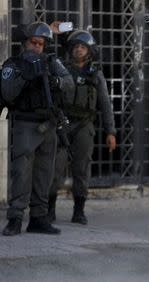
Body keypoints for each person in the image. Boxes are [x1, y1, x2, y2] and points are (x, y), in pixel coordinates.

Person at [1, 22, 74, 236]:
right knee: (21, 173)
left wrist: (55, 81)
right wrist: (26, 75)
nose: (37, 47)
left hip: (48, 125)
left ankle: (38, 218)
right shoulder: (14, 64)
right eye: (34, 42)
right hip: (25, 124)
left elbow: (69, 83)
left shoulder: (51, 62)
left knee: (44, 174)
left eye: (41, 44)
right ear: (25, 43)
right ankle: (15, 218)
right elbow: (7, 93)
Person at [48, 24, 117, 224]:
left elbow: (105, 104)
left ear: (89, 51)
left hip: (84, 127)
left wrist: (110, 131)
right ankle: (49, 210)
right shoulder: (62, 70)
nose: (78, 49)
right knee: (55, 167)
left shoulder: (95, 74)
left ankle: (79, 211)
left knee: (81, 168)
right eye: (75, 46)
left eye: (83, 47)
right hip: (62, 125)